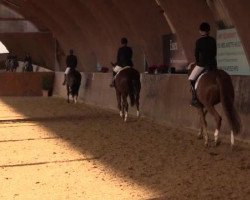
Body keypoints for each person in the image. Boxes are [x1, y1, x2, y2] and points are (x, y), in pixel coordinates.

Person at [188, 22, 217, 107]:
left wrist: (197, 62)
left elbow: (196, 54)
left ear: (200, 31)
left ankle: (194, 99)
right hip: (212, 65)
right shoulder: (213, 40)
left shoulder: (199, 41)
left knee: (191, 78)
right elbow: (214, 53)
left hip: (202, 64)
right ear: (209, 31)